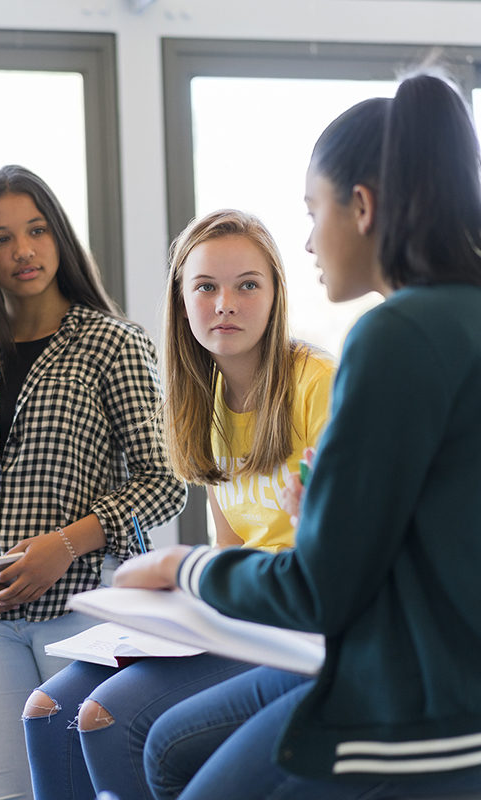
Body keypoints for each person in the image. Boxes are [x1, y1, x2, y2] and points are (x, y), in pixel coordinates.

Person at [115, 70, 481, 800]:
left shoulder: (395, 336)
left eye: (314, 210)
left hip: (417, 717)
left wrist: (181, 568)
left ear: (363, 208)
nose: (310, 240)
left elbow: (318, 591)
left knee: (175, 768)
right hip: (444, 683)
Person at [23, 209, 336, 799]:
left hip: (294, 624)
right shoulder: (203, 399)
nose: (226, 304)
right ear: (182, 300)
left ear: (275, 295)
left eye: (248, 285)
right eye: (206, 287)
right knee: (45, 711)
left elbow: (340, 551)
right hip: (238, 611)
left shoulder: (317, 383)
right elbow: (232, 548)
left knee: (103, 718)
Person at [0, 164, 187, 800]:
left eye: (35, 230)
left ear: (58, 235)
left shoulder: (112, 344)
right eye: (2, 238)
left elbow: (164, 478)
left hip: (83, 605)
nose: (23, 251)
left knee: (78, 787)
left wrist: (63, 544)